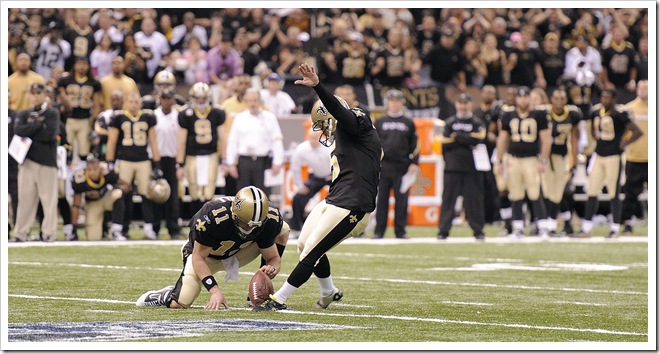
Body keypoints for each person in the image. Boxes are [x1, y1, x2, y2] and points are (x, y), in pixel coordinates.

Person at [253, 63, 382, 312]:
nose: (324, 130)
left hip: (353, 205)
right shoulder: (351, 132)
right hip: (336, 199)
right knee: (303, 244)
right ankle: (328, 291)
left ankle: (278, 299)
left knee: (311, 251)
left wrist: (318, 87)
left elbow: (341, 113)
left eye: (324, 124)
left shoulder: (358, 121)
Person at [135, 186, 289, 310]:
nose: (249, 228)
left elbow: (273, 258)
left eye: (255, 225)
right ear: (235, 214)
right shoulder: (213, 216)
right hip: (206, 256)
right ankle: (165, 295)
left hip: (238, 252)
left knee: (283, 229)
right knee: (180, 302)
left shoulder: (270, 219)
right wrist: (215, 291)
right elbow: (198, 257)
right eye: (245, 223)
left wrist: (271, 270)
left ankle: (259, 290)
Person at [579, 89, 643, 238]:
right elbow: (593, 132)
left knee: (613, 193)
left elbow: (638, 131)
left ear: (614, 99)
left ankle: (615, 228)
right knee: (592, 190)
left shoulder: (620, 113)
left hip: (614, 156)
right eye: (603, 96)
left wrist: (624, 143)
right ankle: (586, 228)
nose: (605, 99)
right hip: (599, 155)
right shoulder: (596, 111)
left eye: (608, 97)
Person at [495, 87, 552, 238]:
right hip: (514, 159)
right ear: (516, 99)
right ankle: (518, 228)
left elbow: (546, 139)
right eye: (520, 97)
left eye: (526, 97)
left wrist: (543, 160)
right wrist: (500, 160)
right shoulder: (508, 114)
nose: (523, 100)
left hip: (531, 159)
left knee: (535, 193)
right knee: (516, 194)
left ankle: (542, 227)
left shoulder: (539, 114)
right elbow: (502, 138)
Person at [105, 92, 162, 240]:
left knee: (147, 194)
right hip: (125, 160)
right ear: (125, 103)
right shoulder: (118, 118)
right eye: (130, 101)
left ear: (140, 103)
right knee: (122, 194)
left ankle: (149, 229)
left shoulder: (148, 117)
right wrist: (110, 161)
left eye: (136, 101)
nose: (133, 104)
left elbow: (153, 142)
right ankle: (119, 228)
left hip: (143, 160)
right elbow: (111, 141)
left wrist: (157, 164)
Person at [10, 83, 60, 242]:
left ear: (45, 94)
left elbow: (50, 134)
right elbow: (18, 131)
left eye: (39, 92)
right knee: (25, 200)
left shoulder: (52, 113)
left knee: (49, 200)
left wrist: (30, 129)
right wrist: (39, 125)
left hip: (47, 162)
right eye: (33, 93)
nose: (36, 95)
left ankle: (49, 234)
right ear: (29, 95)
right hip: (27, 162)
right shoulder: (23, 113)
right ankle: (20, 233)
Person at [437, 93, 486, 240]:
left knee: (474, 200)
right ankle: (443, 231)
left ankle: (478, 231)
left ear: (470, 104)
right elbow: (444, 141)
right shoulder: (450, 122)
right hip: (452, 167)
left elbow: (478, 138)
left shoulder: (477, 122)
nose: (463, 106)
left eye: (466, 103)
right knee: (448, 200)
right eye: (460, 103)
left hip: (472, 168)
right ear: (456, 104)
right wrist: (467, 139)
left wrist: (457, 137)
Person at [373, 89, 419, 239]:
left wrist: (414, 163)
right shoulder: (379, 122)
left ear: (402, 103)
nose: (394, 103)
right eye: (392, 101)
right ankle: (379, 231)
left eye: (397, 100)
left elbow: (416, 145)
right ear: (387, 103)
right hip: (384, 166)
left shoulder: (408, 122)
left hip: (402, 166)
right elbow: (373, 143)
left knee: (402, 200)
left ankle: (401, 231)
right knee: (382, 201)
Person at [176, 82, 226, 212]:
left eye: (203, 98)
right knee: (194, 191)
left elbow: (223, 138)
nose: (200, 101)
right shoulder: (185, 114)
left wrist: (224, 159)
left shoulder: (217, 112)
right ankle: (196, 222)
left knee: (209, 191)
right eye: (198, 98)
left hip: (211, 154)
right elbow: (181, 141)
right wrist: (179, 164)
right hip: (192, 155)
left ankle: (208, 223)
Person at [225, 88, 284, 195]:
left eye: (255, 100)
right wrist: (230, 163)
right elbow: (233, 141)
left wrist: (278, 161)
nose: (252, 104)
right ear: (246, 102)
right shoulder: (240, 118)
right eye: (250, 101)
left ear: (260, 101)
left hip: (263, 162)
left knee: (263, 195)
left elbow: (277, 141)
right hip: (244, 162)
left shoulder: (269, 118)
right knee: (244, 196)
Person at [541, 89, 582, 236]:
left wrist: (574, 162)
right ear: (551, 99)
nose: (559, 102)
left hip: (562, 157)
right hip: (545, 157)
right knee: (546, 191)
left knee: (558, 193)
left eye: (562, 98)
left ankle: (553, 225)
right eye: (556, 98)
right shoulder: (544, 114)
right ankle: (546, 224)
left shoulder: (572, 114)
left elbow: (575, 139)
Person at [70, 155, 130, 241]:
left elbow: (125, 186)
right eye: (90, 170)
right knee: (93, 238)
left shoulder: (107, 172)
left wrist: (113, 187)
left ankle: (116, 231)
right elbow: (76, 204)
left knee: (118, 193)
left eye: (95, 169)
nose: (93, 173)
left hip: (106, 200)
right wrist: (74, 228)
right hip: (92, 204)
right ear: (86, 169)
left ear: (100, 168)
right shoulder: (80, 179)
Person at [289, 128, 332, 239]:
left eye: (315, 138)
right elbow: (295, 168)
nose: (312, 140)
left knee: (342, 198)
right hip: (316, 177)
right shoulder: (302, 149)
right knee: (298, 198)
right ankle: (297, 228)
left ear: (320, 137)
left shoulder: (328, 147)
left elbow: (338, 164)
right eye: (310, 138)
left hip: (332, 176)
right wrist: (300, 186)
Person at [57, 57, 102, 164]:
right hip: (69, 119)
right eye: (79, 64)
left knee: (84, 152)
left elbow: (96, 104)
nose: (81, 66)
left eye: (84, 64)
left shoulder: (94, 82)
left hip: (85, 120)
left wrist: (94, 121)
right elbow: (61, 100)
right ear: (74, 65)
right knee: (66, 149)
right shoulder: (65, 80)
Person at [153, 89, 184, 239]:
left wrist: (180, 162)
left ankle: (173, 228)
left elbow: (181, 141)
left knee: (173, 196)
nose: (166, 101)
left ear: (173, 100)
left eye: (168, 98)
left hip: (172, 159)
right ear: (160, 99)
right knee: (156, 194)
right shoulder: (153, 115)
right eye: (163, 98)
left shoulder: (178, 116)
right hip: (157, 158)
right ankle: (155, 227)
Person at [622, 80, 648, 233]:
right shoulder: (629, 109)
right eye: (640, 87)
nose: (643, 90)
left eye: (646, 88)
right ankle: (628, 222)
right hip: (635, 157)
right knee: (630, 194)